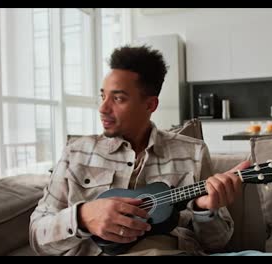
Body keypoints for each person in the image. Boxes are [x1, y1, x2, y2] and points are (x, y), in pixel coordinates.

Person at [29, 45, 250, 256]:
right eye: (102, 96)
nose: (103, 108)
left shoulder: (193, 152)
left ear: (150, 105)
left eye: (118, 98)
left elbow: (217, 243)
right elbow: (38, 236)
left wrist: (205, 212)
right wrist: (83, 217)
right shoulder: (76, 152)